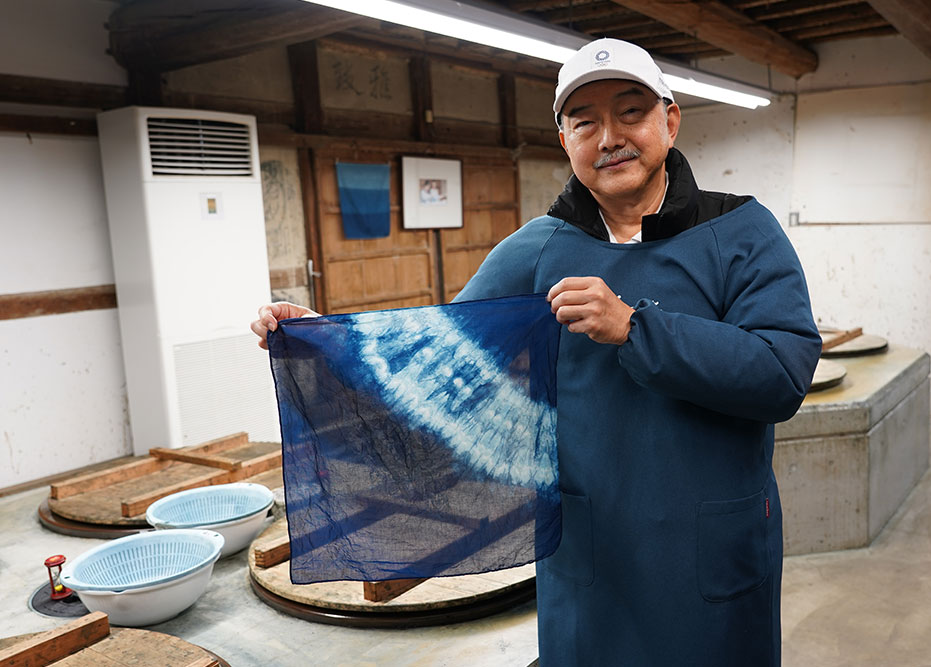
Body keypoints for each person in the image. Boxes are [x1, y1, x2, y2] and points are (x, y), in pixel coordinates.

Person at [252, 37, 820, 666]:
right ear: (565, 140)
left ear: (670, 118)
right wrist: (321, 341)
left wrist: (636, 327)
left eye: (630, 112)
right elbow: (438, 357)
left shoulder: (741, 233)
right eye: (586, 122)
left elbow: (781, 372)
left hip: (711, 546)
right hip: (592, 551)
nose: (610, 137)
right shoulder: (540, 248)